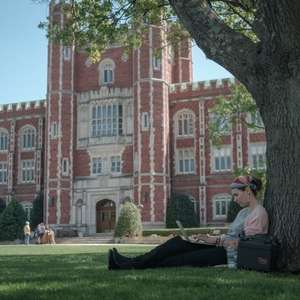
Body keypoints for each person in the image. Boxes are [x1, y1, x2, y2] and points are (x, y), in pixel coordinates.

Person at [108, 175, 269, 270]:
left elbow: (247, 246)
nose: (234, 199)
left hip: (228, 255)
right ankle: (129, 261)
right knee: (176, 243)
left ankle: (128, 264)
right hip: (220, 247)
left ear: (248, 191)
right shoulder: (243, 212)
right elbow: (232, 236)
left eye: (235, 195)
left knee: (178, 260)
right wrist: (207, 238)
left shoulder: (259, 214)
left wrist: (213, 240)